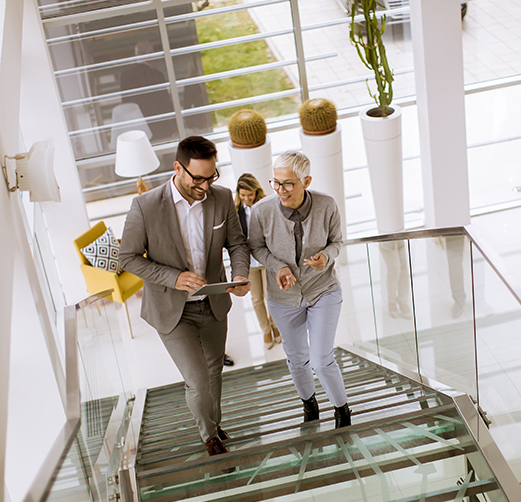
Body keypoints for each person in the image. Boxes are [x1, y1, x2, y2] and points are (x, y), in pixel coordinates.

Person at [119, 136, 250, 461]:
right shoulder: (145, 206)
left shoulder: (220, 198)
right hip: (172, 310)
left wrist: (238, 274)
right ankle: (208, 435)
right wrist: (174, 278)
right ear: (178, 168)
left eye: (211, 177)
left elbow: (236, 244)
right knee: (197, 378)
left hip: (214, 302)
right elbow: (128, 258)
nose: (205, 186)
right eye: (198, 178)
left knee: (215, 370)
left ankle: (215, 425)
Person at [248, 151, 351, 428]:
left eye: (289, 184)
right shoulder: (261, 212)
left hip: (323, 290)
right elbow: (256, 247)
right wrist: (278, 267)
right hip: (283, 298)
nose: (281, 190)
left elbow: (337, 241)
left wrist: (326, 258)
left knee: (321, 358)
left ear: (306, 180)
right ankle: (310, 405)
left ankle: (342, 411)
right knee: (296, 359)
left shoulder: (327, 205)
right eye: (276, 183)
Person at [235, 173, 282, 349]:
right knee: (256, 299)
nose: (246, 199)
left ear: (256, 192)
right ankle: (265, 329)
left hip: (267, 259)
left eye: (250, 195)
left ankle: (275, 325)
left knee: (272, 296)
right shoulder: (236, 213)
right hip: (250, 263)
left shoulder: (266, 207)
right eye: (243, 195)